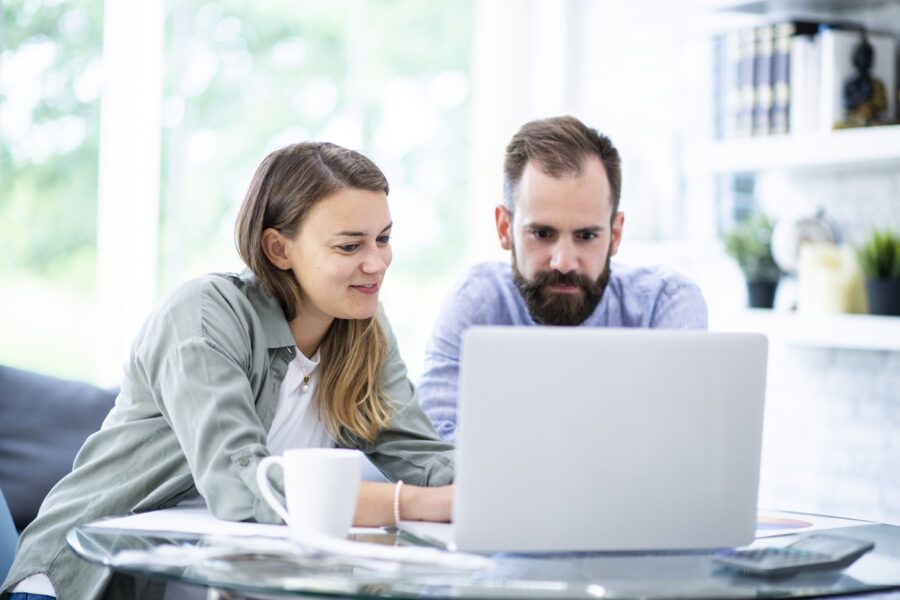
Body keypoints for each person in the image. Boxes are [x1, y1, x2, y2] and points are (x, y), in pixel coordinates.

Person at [2, 142, 454, 600]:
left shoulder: (363, 331)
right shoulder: (203, 313)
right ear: (278, 248)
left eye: (384, 238)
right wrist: (413, 504)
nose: (376, 262)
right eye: (350, 245)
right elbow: (239, 487)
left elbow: (421, 455)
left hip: (219, 580)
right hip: (83, 582)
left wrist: (492, 487)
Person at [418, 116, 708, 443]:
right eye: (542, 233)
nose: (564, 263)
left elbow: (683, 445)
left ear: (615, 234)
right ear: (504, 229)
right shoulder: (477, 300)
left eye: (586, 235)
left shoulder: (665, 302)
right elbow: (430, 449)